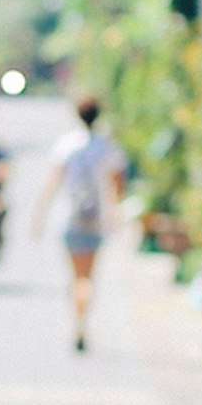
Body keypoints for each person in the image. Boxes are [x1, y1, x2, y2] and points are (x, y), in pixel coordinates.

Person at [43, 97, 128, 352]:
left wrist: (40, 214)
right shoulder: (107, 146)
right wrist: (115, 213)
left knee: (75, 276)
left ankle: (77, 324)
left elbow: (53, 183)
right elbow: (118, 184)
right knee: (87, 277)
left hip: (70, 218)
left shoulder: (66, 145)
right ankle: (82, 321)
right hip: (96, 220)